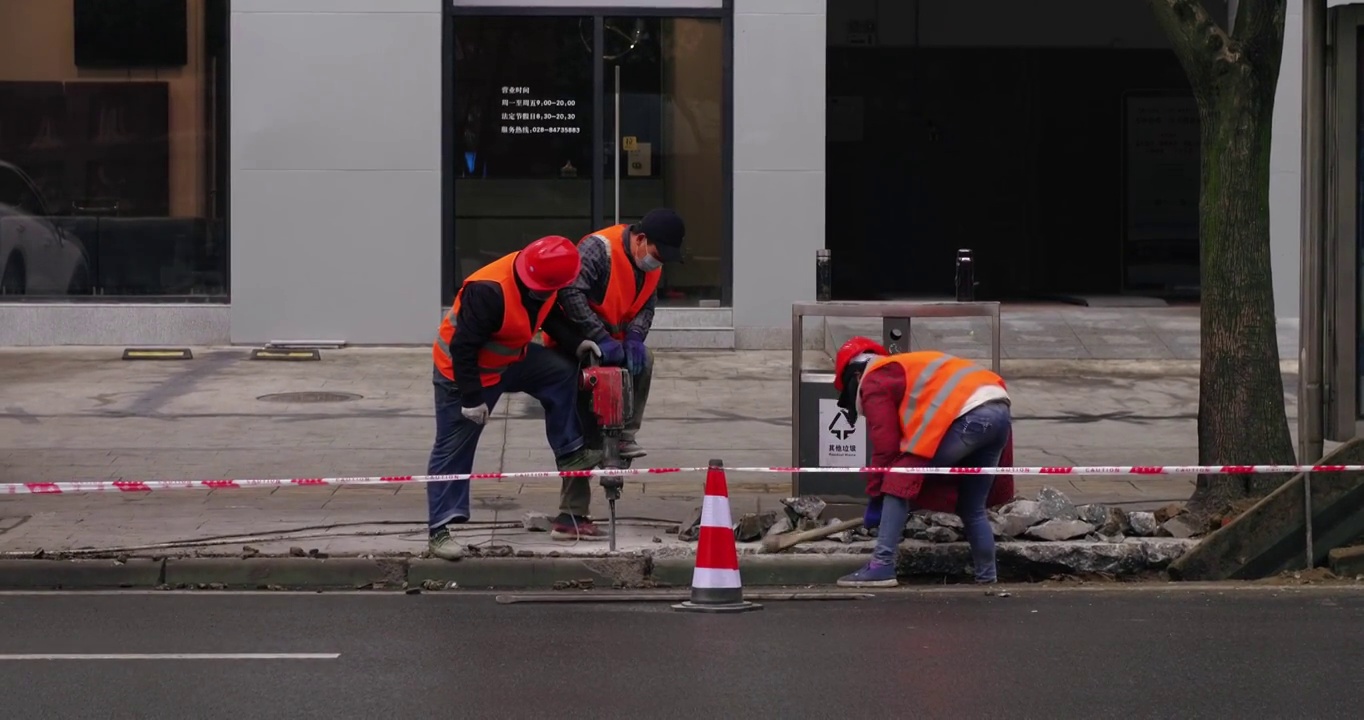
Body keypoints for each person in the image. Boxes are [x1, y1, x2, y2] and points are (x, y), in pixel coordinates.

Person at [427, 236, 604, 560]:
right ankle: (439, 531)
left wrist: (577, 343)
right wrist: (471, 399)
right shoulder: (488, 291)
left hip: (508, 361)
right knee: (452, 450)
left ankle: (569, 452)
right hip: (462, 374)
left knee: (562, 371)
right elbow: (463, 348)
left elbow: (548, 315)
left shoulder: (544, 280)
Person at [829, 337, 1015, 588]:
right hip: (999, 409)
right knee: (972, 506)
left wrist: (877, 495)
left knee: (898, 478)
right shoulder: (905, 368)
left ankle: (882, 565)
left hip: (969, 414)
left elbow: (886, 448)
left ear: (855, 375)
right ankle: (987, 578)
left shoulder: (875, 378)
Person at [548, 208, 686, 461]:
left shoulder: (653, 266)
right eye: (657, 254)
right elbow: (570, 293)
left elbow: (646, 306)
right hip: (577, 338)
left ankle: (625, 435)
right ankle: (576, 488)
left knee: (645, 358)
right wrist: (598, 336)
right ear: (641, 238)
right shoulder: (599, 248)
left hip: (616, 341)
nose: (658, 261)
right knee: (581, 429)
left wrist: (635, 336)